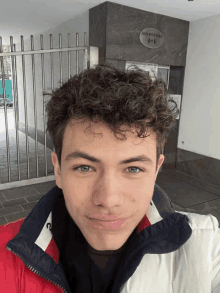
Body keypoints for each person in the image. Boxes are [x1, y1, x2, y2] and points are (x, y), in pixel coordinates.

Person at [0, 63, 219, 292]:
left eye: (133, 169)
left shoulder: (205, 245)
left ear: (156, 170)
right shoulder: (4, 251)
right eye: (84, 168)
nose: (108, 199)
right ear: (58, 170)